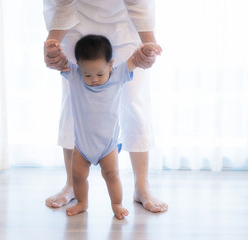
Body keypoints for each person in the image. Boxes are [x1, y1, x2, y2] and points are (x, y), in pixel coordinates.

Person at [43, 0, 168, 213]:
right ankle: (72, 184)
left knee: (134, 101)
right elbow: (64, 3)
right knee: (73, 101)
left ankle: (142, 187)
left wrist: (149, 45)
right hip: (75, 19)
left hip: (123, 21)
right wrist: (52, 43)